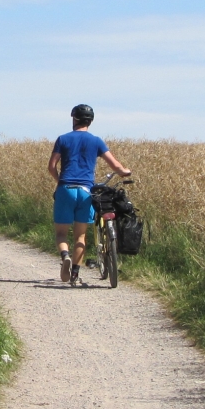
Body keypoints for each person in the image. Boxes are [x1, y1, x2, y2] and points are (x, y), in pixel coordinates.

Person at [48, 104, 131, 285]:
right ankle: (75, 274)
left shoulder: (63, 139)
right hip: (86, 191)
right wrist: (124, 171)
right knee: (80, 237)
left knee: (61, 234)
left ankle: (65, 256)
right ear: (90, 121)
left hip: (65, 189)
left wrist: (60, 181)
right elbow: (115, 166)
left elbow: (51, 166)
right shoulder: (96, 141)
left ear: (74, 119)